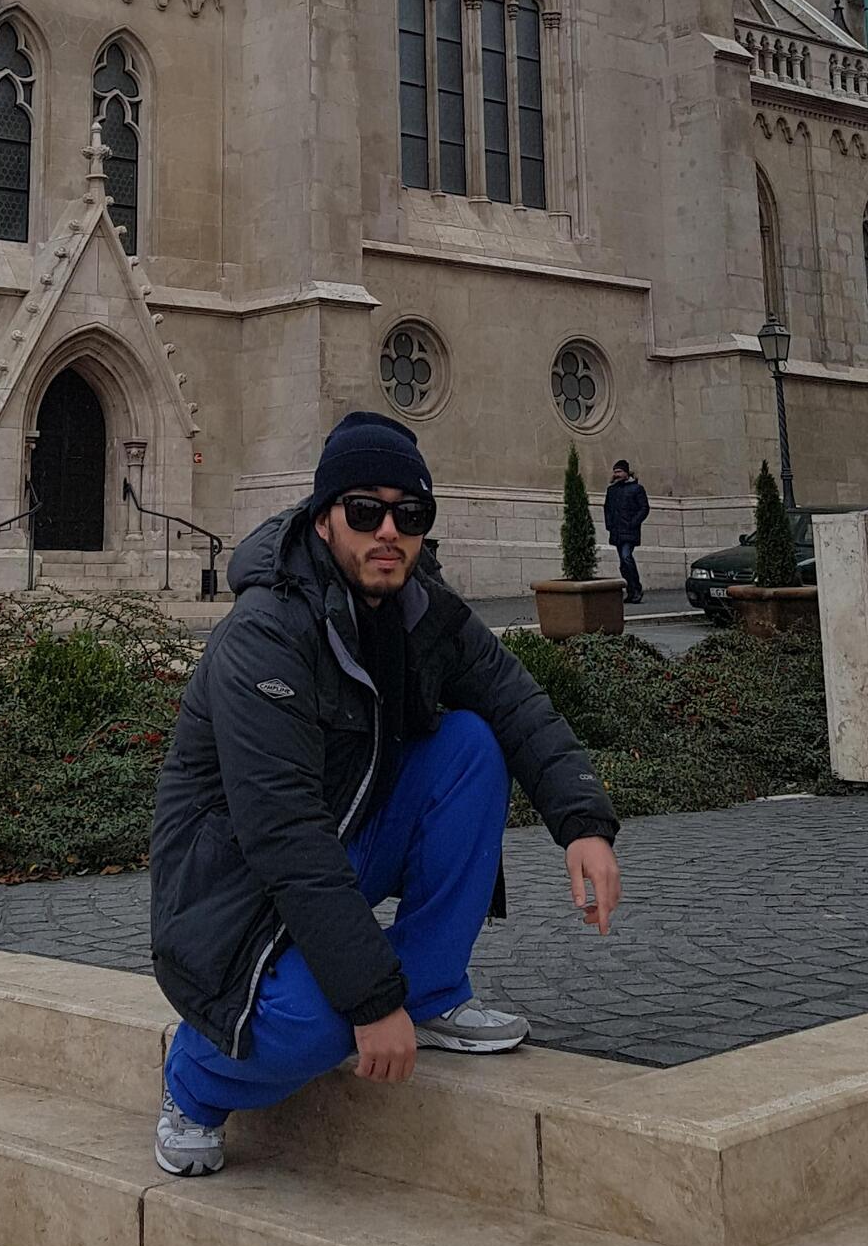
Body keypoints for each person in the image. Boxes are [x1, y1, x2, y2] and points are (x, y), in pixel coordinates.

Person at [149, 408, 622, 1177]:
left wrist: (583, 823)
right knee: (315, 1026)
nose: (389, 531)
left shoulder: (418, 601)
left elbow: (512, 698)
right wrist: (370, 1001)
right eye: (365, 510)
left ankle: (430, 991)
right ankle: (193, 1081)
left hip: (346, 839)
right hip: (237, 894)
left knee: (471, 745)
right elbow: (284, 835)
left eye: (411, 514)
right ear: (324, 516)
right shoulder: (266, 631)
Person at [604, 458, 650, 603]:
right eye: (615, 472)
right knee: (623, 563)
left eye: (619, 471)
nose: (616, 474)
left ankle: (636, 589)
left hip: (629, 530)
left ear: (626, 473)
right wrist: (609, 524)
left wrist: (633, 523)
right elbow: (607, 508)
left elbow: (644, 508)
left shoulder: (637, 489)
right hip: (617, 531)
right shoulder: (612, 490)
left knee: (626, 557)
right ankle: (631, 590)